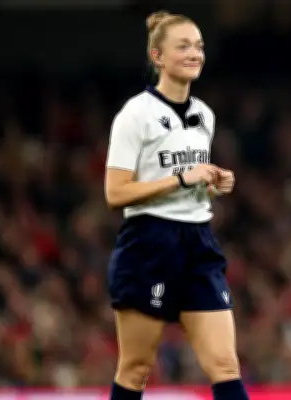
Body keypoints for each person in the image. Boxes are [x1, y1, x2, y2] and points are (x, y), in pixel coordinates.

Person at [104, 10, 248, 400]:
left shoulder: (205, 115)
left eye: (199, 46)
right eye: (182, 46)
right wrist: (181, 179)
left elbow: (190, 178)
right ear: (157, 56)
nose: (194, 53)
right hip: (149, 241)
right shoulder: (136, 115)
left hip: (198, 242)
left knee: (225, 365)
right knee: (135, 370)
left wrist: (214, 184)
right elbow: (115, 193)